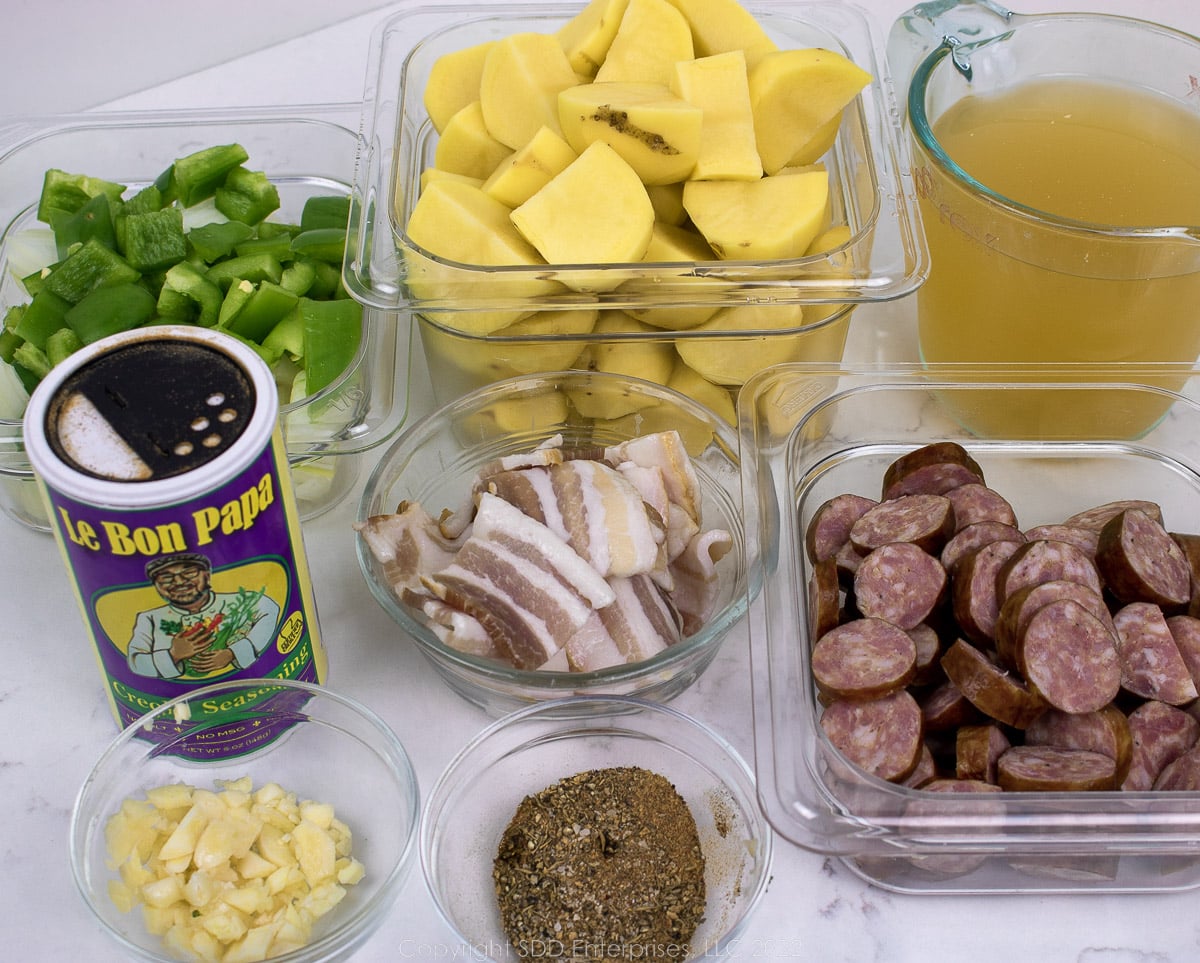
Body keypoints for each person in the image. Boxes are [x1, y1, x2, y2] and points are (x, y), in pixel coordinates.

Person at [126, 552, 280, 680]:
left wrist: (233, 653)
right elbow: (134, 661)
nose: (179, 582)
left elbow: (270, 610)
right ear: (157, 586)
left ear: (207, 575)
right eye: (166, 577)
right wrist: (173, 655)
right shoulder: (149, 618)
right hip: (176, 707)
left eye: (189, 572)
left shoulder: (239, 601)